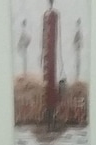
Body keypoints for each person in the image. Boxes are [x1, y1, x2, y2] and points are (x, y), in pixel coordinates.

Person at [41, 0, 60, 128]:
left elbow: (49, 33)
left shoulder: (53, 15)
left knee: (51, 81)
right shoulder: (47, 15)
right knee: (48, 81)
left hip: (51, 52)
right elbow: (44, 33)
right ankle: (49, 114)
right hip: (48, 52)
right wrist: (43, 50)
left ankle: (51, 114)